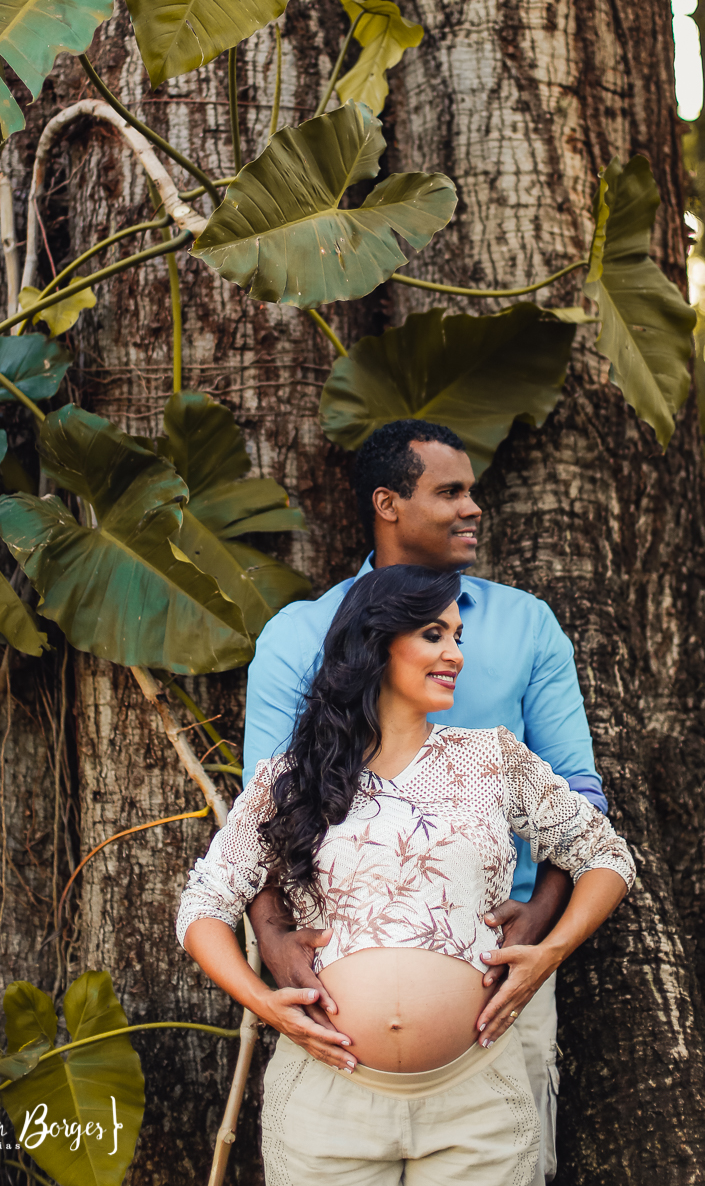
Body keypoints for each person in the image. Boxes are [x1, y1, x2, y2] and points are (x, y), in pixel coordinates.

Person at [177, 566, 634, 1184]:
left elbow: (606, 855)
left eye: (458, 637)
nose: (456, 655)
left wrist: (550, 953)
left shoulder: (491, 758)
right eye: (433, 635)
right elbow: (203, 904)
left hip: (476, 1102)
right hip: (327, 1105)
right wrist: (263, 1004)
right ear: (376, 643)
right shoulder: (292, 777)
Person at [242, 419, 605, 1182]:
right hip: (334, 990)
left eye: (471, 491)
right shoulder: (298, 636)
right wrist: (274, 944)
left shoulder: (525, 625)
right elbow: (264, 817)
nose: (473, 508)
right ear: (388, 504)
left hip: (501, 983)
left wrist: (539, 927)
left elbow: (579, 797)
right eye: (450, 492)